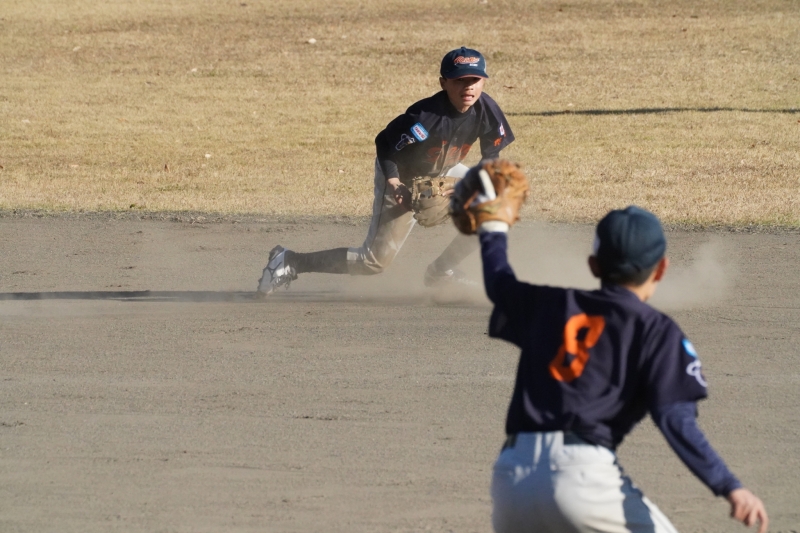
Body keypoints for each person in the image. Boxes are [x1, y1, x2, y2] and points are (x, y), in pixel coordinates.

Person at [475, 205, 768, 532]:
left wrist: (493, 227)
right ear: (661, 268)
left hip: (511, 480)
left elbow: (498, 281)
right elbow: (675, 419)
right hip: (582, 479)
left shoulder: (550, 304)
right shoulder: (655, 330)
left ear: (593, 265)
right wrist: (729, 486)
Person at [257, 46, 515, 295]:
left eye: (474, 80)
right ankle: (291, 261)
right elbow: (385, 144)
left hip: (444, 170)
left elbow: (490, 156)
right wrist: (394, 182)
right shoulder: (424, 119)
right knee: (372, 261)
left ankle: (441, 272)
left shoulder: (487, 111)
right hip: (402, 176)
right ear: (443, 83)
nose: (468, 87)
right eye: (459, 80)